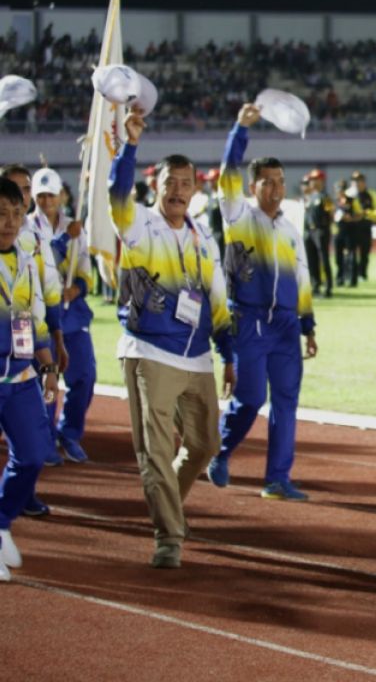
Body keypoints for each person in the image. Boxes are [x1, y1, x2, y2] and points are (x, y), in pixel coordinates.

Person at [109, 108, 234, 568]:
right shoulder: (140, 225)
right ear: (156, 187)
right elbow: (117, 195)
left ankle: (171, 511)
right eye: (170, 183)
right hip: (150, 350)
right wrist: (130, 145)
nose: (178, 190)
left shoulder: (204, 240)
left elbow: (218, 301)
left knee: (204, 445)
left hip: (197, 356)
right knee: (156, 448)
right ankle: (169, 536)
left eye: (186, 183)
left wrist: (228, 353)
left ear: (195, 188)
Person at [207, 104, 318, 502]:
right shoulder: (238, 216)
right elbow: (225, 177)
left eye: (281, 182)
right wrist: (240, 130)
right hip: (249, 320)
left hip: (286, 325)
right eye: (267, 182)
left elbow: (301, 277)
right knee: (251, 398)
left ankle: (276, 479)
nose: (276, 189)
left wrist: (308, 325)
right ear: (252, 187)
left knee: (287, 402)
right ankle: (219, 450)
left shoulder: (290, 229)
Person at [0, 175, 60, 582]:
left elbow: (29, 316)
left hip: (20, 374)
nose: (9, 222)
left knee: (35, 453)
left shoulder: (25, 253)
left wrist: (49, 365)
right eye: (0, 214)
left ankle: (2, 522)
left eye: (16, 213)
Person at [29, 168, 96, 463]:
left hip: (73, 315)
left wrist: (77, 289)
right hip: (42, 317)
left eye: (51, 195)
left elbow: (84, 270)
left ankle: (69, 434)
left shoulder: (75, 227)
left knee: (84, 376)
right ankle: (43, 439)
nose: (46, 201)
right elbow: (42, 264)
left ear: (62, 195)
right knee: (46, 379)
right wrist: (65, 240)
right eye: (40, 196)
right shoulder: (26, 227)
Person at [303, 169, 334, 298]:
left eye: (316, 180)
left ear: (322, 181)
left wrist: (324, 227)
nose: (313, 182)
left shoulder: (325, 197)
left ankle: (328, 287)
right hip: (309, 231)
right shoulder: (310, 197)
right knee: (311, 260)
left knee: (324, 259)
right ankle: (315, 285)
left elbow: (330, 213)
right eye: (312, 180)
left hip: (321, 230)